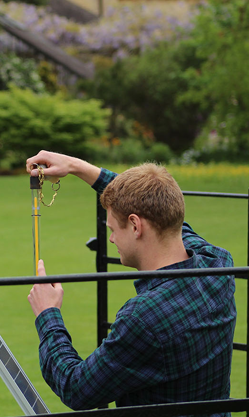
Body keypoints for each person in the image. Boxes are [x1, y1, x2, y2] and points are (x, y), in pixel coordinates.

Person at [25, 150, 236, 414]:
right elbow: (151, 204)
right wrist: (76, 167)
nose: (111, 239)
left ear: (135, 226)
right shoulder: (218, 265)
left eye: (113, 229)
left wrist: (48, 315)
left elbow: (76, 388)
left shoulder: (143, 318)